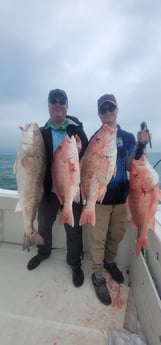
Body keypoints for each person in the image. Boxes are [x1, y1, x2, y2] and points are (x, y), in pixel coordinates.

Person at [88, 93, 151, 305]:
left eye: (111, 108)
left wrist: (141, 145)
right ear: (99, 114)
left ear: (117, 110)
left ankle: (109, 261)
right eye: (103, 109)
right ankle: (97, 274)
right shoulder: (96, 138)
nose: (107, 112)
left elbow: (133, 163)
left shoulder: (127, 137)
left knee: (117, 234)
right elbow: (88, 168)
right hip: (99, 200)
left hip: (122, 197)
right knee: (97, 238)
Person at [27, 88, 88, 288]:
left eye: (62, 101)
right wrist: (27, 140)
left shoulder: (76, 129)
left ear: (67, 106)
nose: (58, 104)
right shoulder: (42, 131)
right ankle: (43, 253)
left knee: (74, 230)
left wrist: (79, 151)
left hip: (71, 190)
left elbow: (88, 157)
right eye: (54, 101)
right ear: (49, 107)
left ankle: (74, 263)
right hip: (48, 191)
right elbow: (34, 154)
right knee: (44, 225)